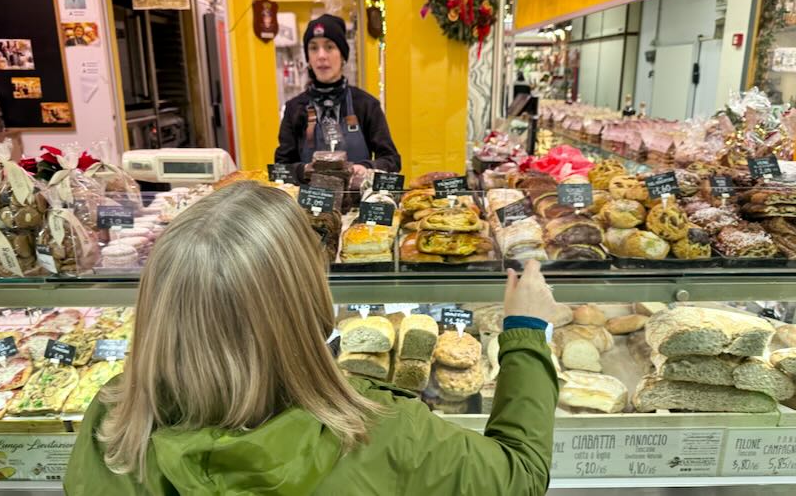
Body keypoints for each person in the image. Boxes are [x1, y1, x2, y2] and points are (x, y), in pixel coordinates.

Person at [64, 182, 559, 495]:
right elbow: (519, 476)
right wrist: (527, 333)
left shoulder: (107, 430)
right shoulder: (388, 432)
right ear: (308, 301)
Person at [275, 14, 400, 183]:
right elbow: (280, 168)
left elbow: (392, 160)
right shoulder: (294, 108)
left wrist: (366, 168)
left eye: (329, 47)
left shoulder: (366, 104)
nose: (321, 55)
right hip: (309, 205)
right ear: (308, 59)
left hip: (358, 205)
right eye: (313, 48)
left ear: (343, 55)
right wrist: (303, 170)